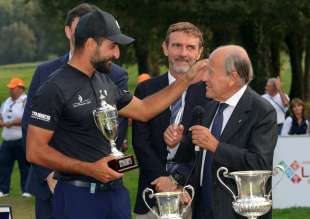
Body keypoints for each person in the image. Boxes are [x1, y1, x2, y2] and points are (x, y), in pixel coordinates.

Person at [26, 9, 207, 219]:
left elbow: (145, 110)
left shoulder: (104, 80)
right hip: (79, 196)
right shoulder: (54, 88)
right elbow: (34, 151)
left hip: (115, 194)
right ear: (91, 44)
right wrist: (89, 169)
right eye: (112, 46)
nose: (117, 54)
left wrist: (186, 80)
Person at [21, 3, 129, 219]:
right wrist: (51, 174)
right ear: (69, 31)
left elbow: (120, 123)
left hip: (104, 187)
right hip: (53, 182)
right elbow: (29, 128)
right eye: (81, 27)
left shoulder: (112, 73)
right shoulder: (45, 73)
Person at [165, 45, 277, 219]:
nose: (204, 79)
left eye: (211, 72)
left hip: (237, 212)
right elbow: (196, 157)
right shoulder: (209, 107)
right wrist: (177, 143)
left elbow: (259, 164)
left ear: (233, 77)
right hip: (201, 209)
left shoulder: (261, 111)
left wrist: (215, 146)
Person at [132, 22, 207, 219]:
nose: (183, 53)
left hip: (193, 197)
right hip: (151, 194)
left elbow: (207, 146)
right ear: (165, 48)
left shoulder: (210, 92)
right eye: (177, 46)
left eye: (190, 47)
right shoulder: (146, 90)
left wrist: (176, 180)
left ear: (199, 52)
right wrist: (163, 180)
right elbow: (140, 143)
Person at [0, 78, 30, 198]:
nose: (11, 90)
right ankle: (3, 189)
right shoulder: (6, 101)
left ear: (21, 88)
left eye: (13, 88)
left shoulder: (26, 101)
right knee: (4, 165)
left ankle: (26, 190)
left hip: (21, 139)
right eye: (10, 88)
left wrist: (13, 122)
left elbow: (27, 119)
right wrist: (2, 122)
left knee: (24, 166)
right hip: (7, 140)